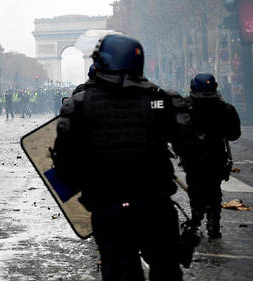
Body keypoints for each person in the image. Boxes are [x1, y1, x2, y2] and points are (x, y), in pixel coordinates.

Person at [52, 34, 191, 281]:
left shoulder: (79, 104)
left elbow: (64, 163)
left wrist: (85, 187)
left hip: (108, 205)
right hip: (155, 203)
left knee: (118, 269)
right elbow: (187, 144)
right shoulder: (160, 99)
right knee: (166, 268)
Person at [181, 73, 241, 239]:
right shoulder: (225, 108)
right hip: (216, 156)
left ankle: (197, 216)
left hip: (192, 157)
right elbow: (234, 134)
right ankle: (213, 221)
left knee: (195, 187)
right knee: (215, 190)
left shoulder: (185, 107)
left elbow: (175, 131)